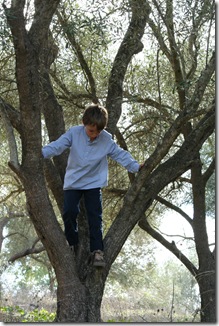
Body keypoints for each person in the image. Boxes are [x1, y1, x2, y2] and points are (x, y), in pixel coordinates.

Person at [42, 104, 142, 267]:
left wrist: (135, 166)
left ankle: (97, 252)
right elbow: (57, 146)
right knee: (69, 211)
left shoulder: (106, 139)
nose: (94, 135)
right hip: (74, 181)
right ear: (84, 123)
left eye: (98, 132)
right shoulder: (74, 133)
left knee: (95, 216)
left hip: (93, 183)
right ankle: (72, 243)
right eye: (91, 131)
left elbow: (120, 155)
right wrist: (40, 153)